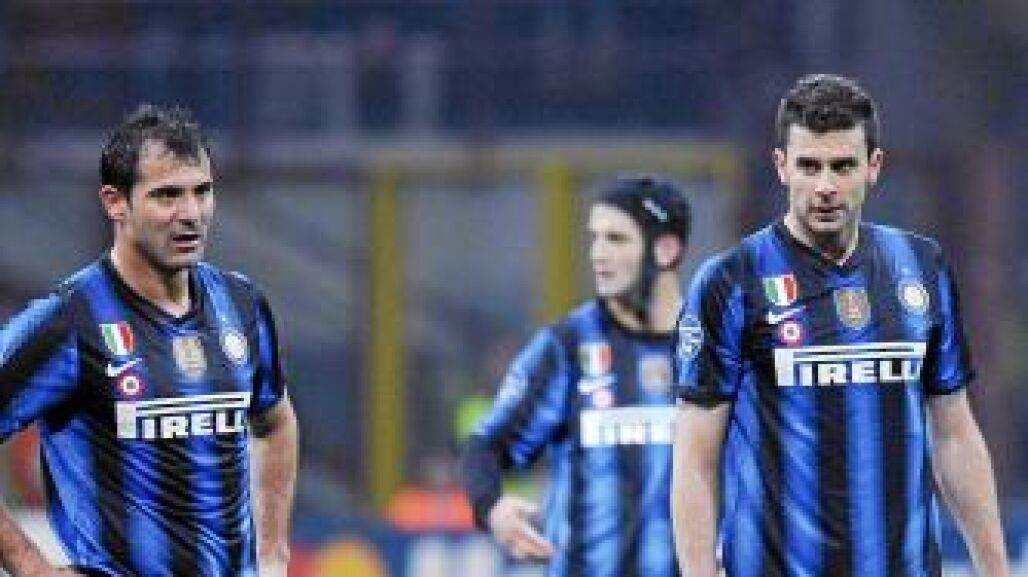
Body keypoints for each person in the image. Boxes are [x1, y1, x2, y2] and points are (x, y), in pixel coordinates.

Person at [671, 74, 1010, 577]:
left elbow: (955, 434)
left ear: (874, 166)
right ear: (781, 167)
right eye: (809, 166)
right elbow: (695, 459)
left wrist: (996, 570)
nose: (825, 186)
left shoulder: (922, 267)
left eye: (842, 166)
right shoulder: (731, 281)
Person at [0, 104, 298, 576]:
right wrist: (28, 564)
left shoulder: (242, 305)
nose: (191, 213)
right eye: (167, 195)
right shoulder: (70, 320)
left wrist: (273, 552)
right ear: (115, 202)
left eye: (202, 191)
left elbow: (276, 423)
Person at [460, 175, 691, 577]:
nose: (598, 254)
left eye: (616, 239)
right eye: (594, 238)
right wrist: (491, 508)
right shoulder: (567, 347)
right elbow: (486, 447)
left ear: (666, 250)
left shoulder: (717, 345)